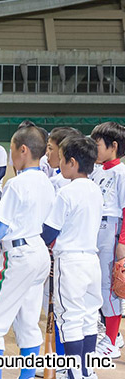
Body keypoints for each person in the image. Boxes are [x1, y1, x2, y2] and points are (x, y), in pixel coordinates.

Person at [0, 126, 55, 379]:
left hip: (18, 257)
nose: (10, 157)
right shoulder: (46, 181)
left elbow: (2, 231)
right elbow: (26, 222)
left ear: (23, 150)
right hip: (38, 251)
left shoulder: (16, 183)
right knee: (28, 323)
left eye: (12, 150)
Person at [40, 136, 103, 379]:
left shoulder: (66, 193)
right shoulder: (95, 190)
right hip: (91, 260)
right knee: (88, 317)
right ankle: (87, 372)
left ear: (73, 162)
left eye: (63, 160)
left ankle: (74, 373)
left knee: (71, 319)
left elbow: (50, 231)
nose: (60, 165)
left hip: (71, 262)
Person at [90, 122, 125, 359]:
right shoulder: (97, 171)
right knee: (95, 284)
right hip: (95, 227)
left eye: (97, 144)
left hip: (111, 229)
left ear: (113, 146)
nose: (94, 149)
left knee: (109, 286)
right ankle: (107, 334)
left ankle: (112, 341)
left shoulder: (121, 173)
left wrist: (122, 243)